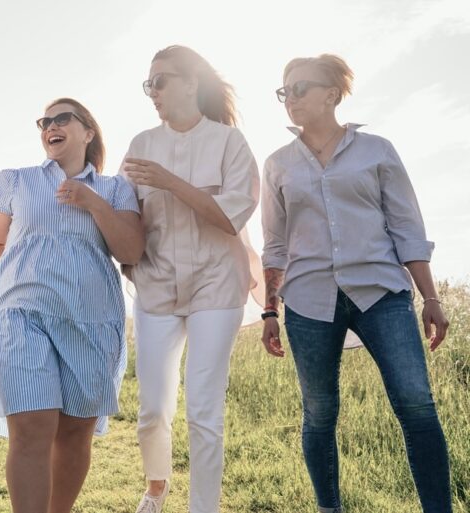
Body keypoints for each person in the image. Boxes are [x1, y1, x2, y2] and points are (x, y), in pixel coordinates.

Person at [261, 54, 452, 513]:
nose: (291, 98)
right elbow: (274, 245)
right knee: (320, 413)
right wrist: (270, 309)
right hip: (308, 301)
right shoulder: (277, 163)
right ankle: (330, 508)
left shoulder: (377, 150)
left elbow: (406, 227)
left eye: (300, 88)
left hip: (381, 291)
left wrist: (430, 296)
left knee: (416, 405)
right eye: (284, 91)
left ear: (332, 93)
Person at [0, 98, 144, 513]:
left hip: (91, 321)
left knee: (75, 433)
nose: (50, 127)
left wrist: (92, 202)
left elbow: (130, 249)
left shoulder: (115, 188)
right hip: (18, 315)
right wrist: (33, 275)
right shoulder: (15, 180)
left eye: (61, 119)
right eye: (44, 121)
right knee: (33, 428)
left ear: (88, 132)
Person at [121, 45, 262, 513]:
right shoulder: (141, 144)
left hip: (216, 284)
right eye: (148, 83)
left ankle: (204, 507)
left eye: (160, 81)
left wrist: (170, 182)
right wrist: (127, 259)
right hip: (156, 286)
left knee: (204, 410)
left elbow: (228, 216)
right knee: (152, 411)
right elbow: (129, 213)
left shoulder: (229, 143)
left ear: (190, 83)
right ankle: (156, 486)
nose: (153, 92)